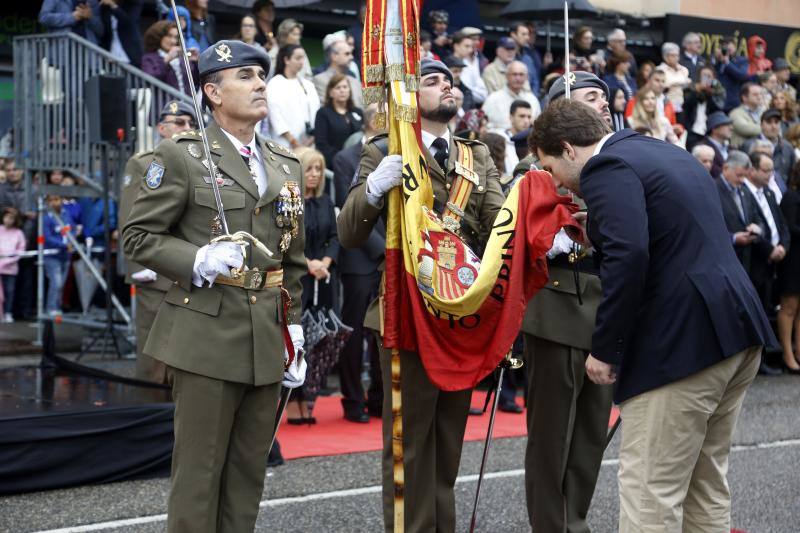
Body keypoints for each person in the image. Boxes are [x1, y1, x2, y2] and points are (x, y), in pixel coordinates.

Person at [530, 98, 775, 533]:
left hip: (682, 343)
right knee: (705, 485)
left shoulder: (605, 167)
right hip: (736, 327)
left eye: (549, 167)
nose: (557, 184)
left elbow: (631, 253)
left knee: (650, 492)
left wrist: (605, 348)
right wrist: (602, 224)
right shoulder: (658, 150)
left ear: (569, 149)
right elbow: (665, 229)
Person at [123, 40, 307, 532]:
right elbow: (138, 236)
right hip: (206, 332)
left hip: (266, 334)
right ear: (213, 92)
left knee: (249, 473)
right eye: (245, 76)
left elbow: (291, 259)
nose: (260, 84)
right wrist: (197, 258)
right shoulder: (181, 156)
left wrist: (295, 329)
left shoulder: (285, 163)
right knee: (199, 474)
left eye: (261, 75)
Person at [337, 58, 506, 532]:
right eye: (431, 82)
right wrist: (373, 187)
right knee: (408, 444)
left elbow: (497, 225)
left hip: (459, 316)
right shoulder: (382, 150)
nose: (446, 86)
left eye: (449, 81)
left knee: (449, 443)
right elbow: (349, 232)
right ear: (410, 98)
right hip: (406, 314)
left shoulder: (477, 156)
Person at [520, 70, 613, 533]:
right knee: (552, 438)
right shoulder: (537, 168)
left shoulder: (615, 163)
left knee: (592, 436)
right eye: (591, 97)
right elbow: (521, 232)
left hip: (604, 312)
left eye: (605, 97)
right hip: (556, 310)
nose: (604, 104)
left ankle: (574, 521)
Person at [119, 99, 195, 383]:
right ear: (162, 128)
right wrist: (139, 263)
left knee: (186, 352)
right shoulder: (145, 162)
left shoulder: (199, 161)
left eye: (190, 123)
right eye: (179, 123)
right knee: (153, 350)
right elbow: (130, 213)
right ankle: (150, 411)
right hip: (157, 267)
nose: (185, 128)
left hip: (190, 267)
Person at [332, 104, 385, 422]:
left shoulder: (400, 152)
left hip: (393, 254)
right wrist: (382, 250)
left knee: (385, 329)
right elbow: (349, 207)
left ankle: (380, 397)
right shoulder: (345, 158)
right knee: (354, 332)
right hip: (360, 255)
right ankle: (352, 400)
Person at [286, 148, 339, 424]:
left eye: (319, 169)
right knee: (297, 341)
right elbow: (285, 241)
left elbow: (335, 236)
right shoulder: (289, 202)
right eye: (310, 169)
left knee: (319, 341)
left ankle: (310, 398)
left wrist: (325, 262)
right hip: (298, 281)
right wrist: (308, 264)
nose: (315, 174)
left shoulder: (326, 202)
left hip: (323, 280)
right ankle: (292, 401)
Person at [745, 152, 789, 317]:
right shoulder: (745, 194)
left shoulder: (768, 193)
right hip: (756, 262)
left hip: (774, 262)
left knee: (767, 309)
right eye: (766, 170)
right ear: (752, 171)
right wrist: (770, 250)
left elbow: (782, 224)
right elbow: (748, 226)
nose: (770, 174)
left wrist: (783, 247)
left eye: (772, 170)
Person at [266, 44, 320, 150]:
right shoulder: (275, 84)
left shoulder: (308, 84)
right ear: (286, 59)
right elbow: (275, 115)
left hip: (309, 143)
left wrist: (312, 138)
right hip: (284, 144)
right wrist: (293, 141)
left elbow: (317, 111)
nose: (301, 62)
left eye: (303, 58)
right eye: (298, 58)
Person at [777, 161, 800, 372]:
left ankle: (799, 352)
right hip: (793, 260)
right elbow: (789, 227)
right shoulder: (792, 197)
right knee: (789, 307)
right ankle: (787, 354)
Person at [314, 73, 363, 171]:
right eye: (338, 87)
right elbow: (321, 144)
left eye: (345, 87)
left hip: (359, 163)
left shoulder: (357, 112)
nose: (342, 90)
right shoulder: (323, 113)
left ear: (349, 90)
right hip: (335, 164)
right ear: (330, 92)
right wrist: (342, 158)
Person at [140, 21, 199, 98]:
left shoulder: (182, 58)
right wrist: (166, 60)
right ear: (158, 36)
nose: (173, 41)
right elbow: (149, 81)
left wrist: (196, 62)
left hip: (186, 106)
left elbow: (197, 80)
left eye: (176, 37)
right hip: (165, 106)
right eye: (169, 36)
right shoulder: (149, 58)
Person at [743, 109, 797, 187]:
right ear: (761, 125)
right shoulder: (749, 145)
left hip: (782, 192)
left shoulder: (788, 147)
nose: (773, 126)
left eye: (776, 122)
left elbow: (792, 175)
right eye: (769, 122)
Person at [482, 61, 540, 131]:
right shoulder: (493, 98)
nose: (518, 78)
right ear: (506, 76)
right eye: (514, 74)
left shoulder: (532, 99)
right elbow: (484, 125)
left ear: (526, 77)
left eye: (521, 75)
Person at [43, 195, 75, 316]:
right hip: (52, 255)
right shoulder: (46, 217)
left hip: (66, 255)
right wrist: (64, 244)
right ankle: (50, 308)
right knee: (56, 283)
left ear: (61, 200)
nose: (53, 203)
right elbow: (47, 237)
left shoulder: (66, 214)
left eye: (56, 199)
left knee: (61, 284)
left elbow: (72, 229)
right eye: (50, 200)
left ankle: (57, 306)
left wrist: (71, 241)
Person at [682, 64, 726, 149]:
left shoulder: (718, 91)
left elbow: (718, 109)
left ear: (713, 78)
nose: (706, 79)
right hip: (691, 130)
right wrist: (696, 92)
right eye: (704, 76)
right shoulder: (691, 88)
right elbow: (686, 105)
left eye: (709, 76)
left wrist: (709, 94)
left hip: (708, 131)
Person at [312, 40, 362, 108]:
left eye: (351, 54)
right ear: (334, 56)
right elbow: (326, 108)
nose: (351, 57)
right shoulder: (319, 80)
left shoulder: (356, 82)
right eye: (347, 54)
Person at [492, 99, 532, 175]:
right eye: (522, 116)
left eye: (529, 117)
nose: (526, 121)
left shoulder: (533, 142)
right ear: (511, 117)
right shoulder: (499, 140)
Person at [98, 0, 143, 67]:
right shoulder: (105, 6)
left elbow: (129, 22)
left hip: (129, 51)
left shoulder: (134, 3)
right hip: (111, 52)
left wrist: (113, 6)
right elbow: (104, 32)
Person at [0, 207, 25, 323]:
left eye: (11, 218)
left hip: (11, 268)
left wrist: (8, 261)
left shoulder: (19, 233)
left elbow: (21, 251)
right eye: (7, 217)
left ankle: (8, 312)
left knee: (9, 291)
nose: (8, 220)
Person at [39, 0, 103, 45]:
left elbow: (101, 31)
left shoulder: (93, 2)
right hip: (62, 52)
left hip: (89, 54)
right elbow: (43, 18)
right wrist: (72, 17)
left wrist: (90, 17)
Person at [450, 31, 487, 105]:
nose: (470, 50)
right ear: (456, 46)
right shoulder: (446, 63)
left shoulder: (470, 65)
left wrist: (468, 92)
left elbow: (483, 94)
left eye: (471, 47)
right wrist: (469, 91)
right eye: (467, 46)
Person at [714, 37, 750, 113]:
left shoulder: (741, 61)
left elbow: (742, 76)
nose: (727, 50)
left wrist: (727, 63)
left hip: (733, 102)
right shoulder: (717, 61)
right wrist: (716, 60)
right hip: (717, 101)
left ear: (735, 47)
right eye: (724, 47)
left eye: (729, 48)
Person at [658, 41, 691, 115]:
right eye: (672, 55)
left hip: (681, 106)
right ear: (665, 56)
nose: (676, 58)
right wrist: (679, 83)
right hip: (665, 105)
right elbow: (664, 85)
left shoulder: (684, 70)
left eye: (677, 55)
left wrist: (675, 83)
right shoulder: (660, 70)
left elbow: (688, 83)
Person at [698, 110, 733, 179]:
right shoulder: (702, 148)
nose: (731, 128)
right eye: (726, 125)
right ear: (714, 128)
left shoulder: (731, 148)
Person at [509, 22, 541, 96]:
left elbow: (535, 82)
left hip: (529, 100)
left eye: (527, 34)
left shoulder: (528, 58)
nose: (527, 37)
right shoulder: (507, 57)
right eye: (523, 34)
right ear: (513, 35)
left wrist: (532, 99)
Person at [729, 82, 764, 149]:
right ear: (744, 98)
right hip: (742, 151)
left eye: (761, 94)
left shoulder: (763, 111)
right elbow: (745, 129)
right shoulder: (735, 113)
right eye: (755, 95)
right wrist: (767, 129)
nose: (759, 97)